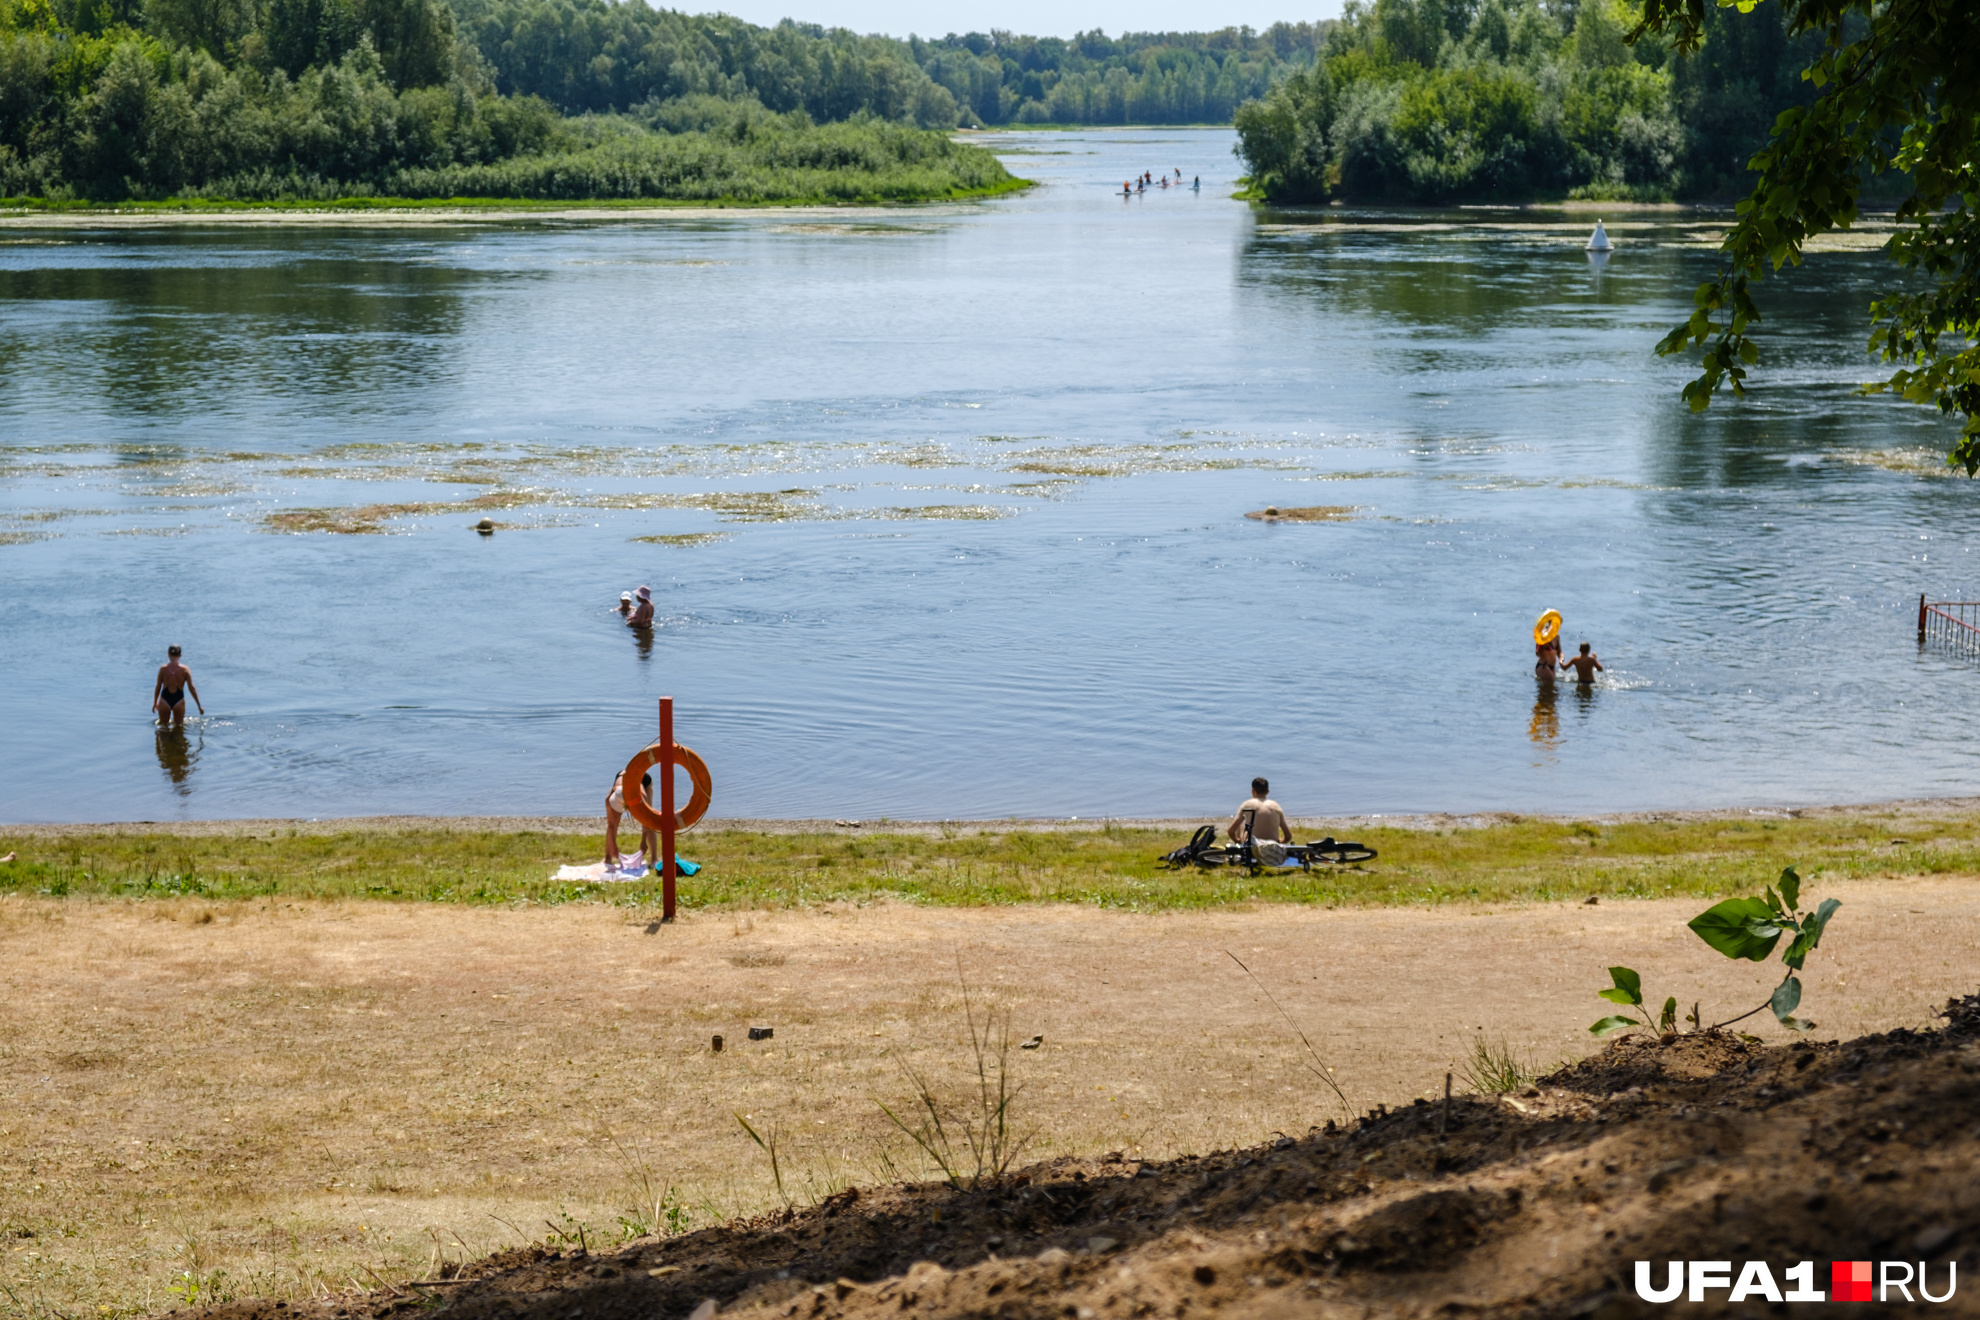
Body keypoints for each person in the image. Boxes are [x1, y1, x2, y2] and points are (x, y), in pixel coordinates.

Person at [1228, 776, 1294, 866]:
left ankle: (1244, 844)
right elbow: (1288, 836)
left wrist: (1238, 841)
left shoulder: (1247, 804)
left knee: (1243, 822)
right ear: (1267, 791)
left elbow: (1231, 831)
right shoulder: (1275, 806)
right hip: (1272, 846)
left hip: (1251, 849)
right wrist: (1278, 842)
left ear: (1253, 791)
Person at [605, 770, 657, 869]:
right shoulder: (610, 797)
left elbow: (646, 819)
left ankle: (654, 859)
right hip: (622, 787)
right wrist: (613, 846)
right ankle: (608, 857)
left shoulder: (641, 795)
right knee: (614, 822)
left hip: (643, 782)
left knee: (650, 821)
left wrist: (643, 841)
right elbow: (611, 824)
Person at [151, 645, 203, 726]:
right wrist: (199, 705)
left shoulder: (163, 669)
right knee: (179, 727)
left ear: (168, 654)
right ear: (180, 655)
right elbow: (191, 688)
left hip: (165, 699)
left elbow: (158, 687)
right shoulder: (185, 669)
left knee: (163, 727)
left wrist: (155, 703)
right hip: (179, 700)